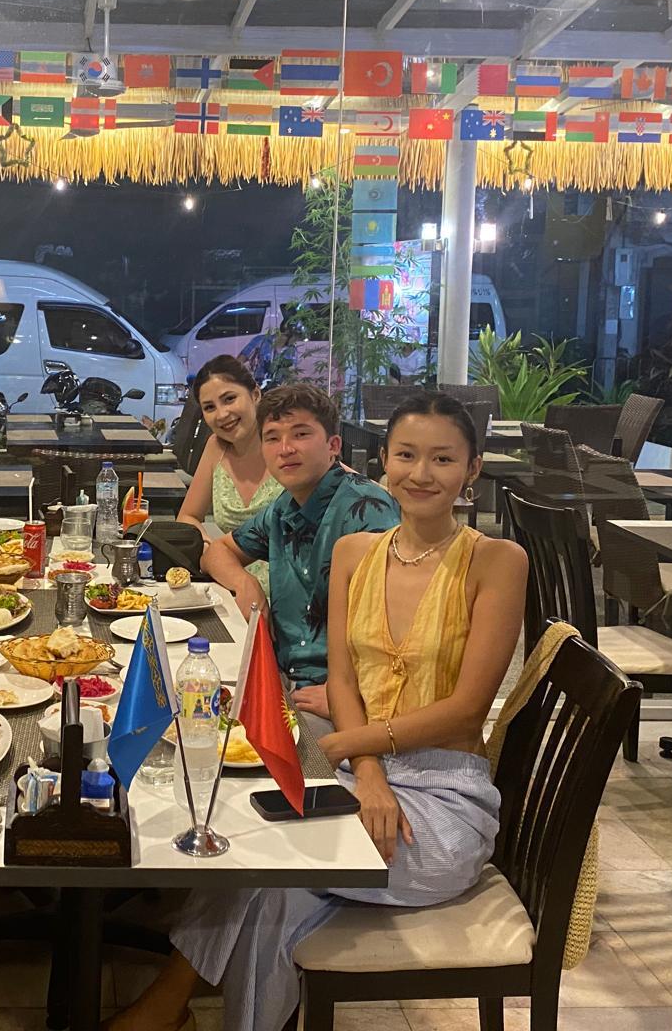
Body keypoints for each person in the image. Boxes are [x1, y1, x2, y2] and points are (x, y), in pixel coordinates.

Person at [110, 393, 528, 1031]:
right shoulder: (359, 552)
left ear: (472, 469)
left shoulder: (497, 561)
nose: (421, 473)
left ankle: (163, 1009)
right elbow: (344, 680)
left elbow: (467, 713)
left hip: (444, 798)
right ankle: (175, 1011)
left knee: (264, 863)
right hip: (365, 775)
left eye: (443, 459)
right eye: (407, 455)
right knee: (268, 877)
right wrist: (370, 771)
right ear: (384, 459)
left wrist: (341, 748)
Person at [199, 383, 400, 742]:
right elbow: (217, 551)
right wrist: (246, 583)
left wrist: (350, 696)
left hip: (340, 700)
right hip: (283, 677)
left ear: (333, 445)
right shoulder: (284, 508)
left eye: (301, 434)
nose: (285, 449)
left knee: (229, 748)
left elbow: (399, 626)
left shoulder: (366, 510)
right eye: (272, 438)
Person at [176, 354, 281, 599]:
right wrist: (212, 550)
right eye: (209, 407)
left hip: (288, 597)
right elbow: (188, 516)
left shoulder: (284, 445)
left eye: (229, 399)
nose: (222, 414)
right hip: (231, 588)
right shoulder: (216, 447)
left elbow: (348, 485)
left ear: (255, 394)